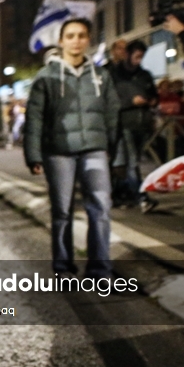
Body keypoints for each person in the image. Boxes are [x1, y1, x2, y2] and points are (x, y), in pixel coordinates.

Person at [23, 17, 120, 277]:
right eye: (71, 36)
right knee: (61, 211)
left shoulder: (101, 76)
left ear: (88, 40)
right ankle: (63, 267)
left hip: (95, 148)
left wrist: (113, 148)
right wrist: (33, 154)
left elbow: (112, 114)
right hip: (58, 152)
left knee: (100, 208)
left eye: (81, 35)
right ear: (61, 41)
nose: (76, 40)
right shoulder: (47, 76)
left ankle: (100, 269)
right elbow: (35, 118)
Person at [109, 40, 159, 212]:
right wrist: (130, 102)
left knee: (131, 161)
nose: (139, 60)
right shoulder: (115, 74)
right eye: (136, 56)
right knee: (131, 162)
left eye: (141, 57)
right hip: (125, 123)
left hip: (142, 124)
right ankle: (142, 197)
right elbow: (111, 100)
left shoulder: (145, 75)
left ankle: (119, 193)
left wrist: (152, 101)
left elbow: (154, 94)